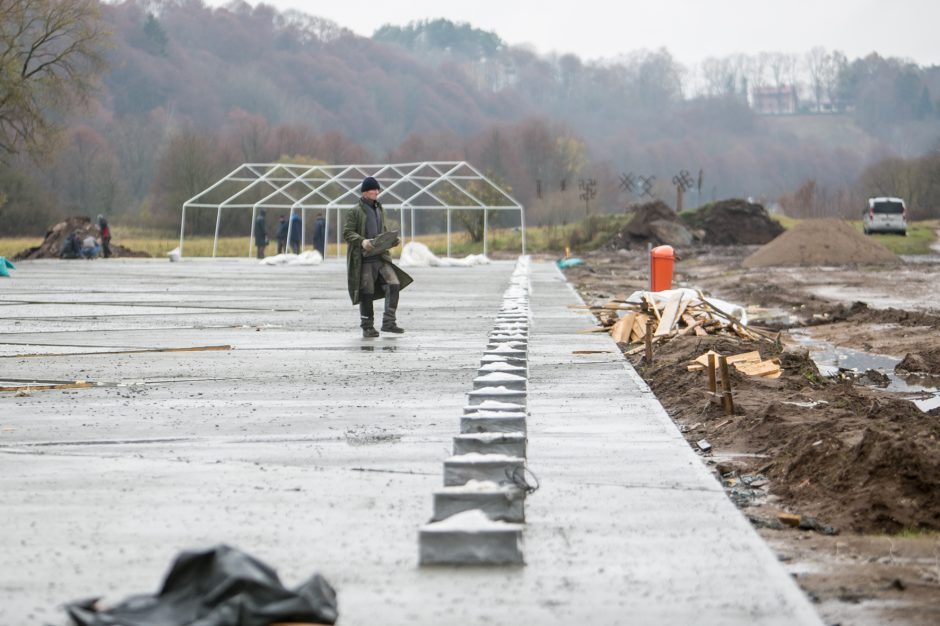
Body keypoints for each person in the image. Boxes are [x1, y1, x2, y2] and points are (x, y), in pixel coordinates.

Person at [343, 176, 412, 337]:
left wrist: (391, 241)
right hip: (364, 259)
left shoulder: (380, 209)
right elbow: (347, 233)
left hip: (381, 257)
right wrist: (362, 241)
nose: (377, 192)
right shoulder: (355, 211)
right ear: (365, 192)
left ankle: (389, 323)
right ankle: (367, 326)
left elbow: (383, 231)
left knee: (394, 284)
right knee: (366, 292)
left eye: (377, 190)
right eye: (373, 190)